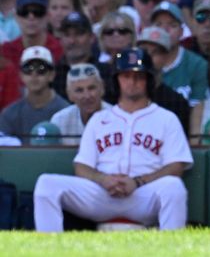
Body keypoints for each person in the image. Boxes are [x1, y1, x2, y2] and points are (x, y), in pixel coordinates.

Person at [33, 47, 193, 232]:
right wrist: (102, 179)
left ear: (148, 80)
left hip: (143, 196)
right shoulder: (99, 119)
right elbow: (82, 166)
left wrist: (138, 182)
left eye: (138, 76)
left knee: (174, 187)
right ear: (117, 80)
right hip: (103, 194)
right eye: (126, 76)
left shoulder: (166, 118)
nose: (132, 82)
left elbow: (176, 167)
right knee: (46, 184)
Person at [0, 46, 68, 143]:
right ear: (21, 75)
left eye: (41, 69)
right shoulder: (9, 114)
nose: (34, 74)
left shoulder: (65, 111)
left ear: (51, 75)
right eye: (28, 69)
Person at [50, 63, 112, 145]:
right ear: (69, 95)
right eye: (79, 90)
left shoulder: (117, 118)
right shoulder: (60, 120)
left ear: (102, 88)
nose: (87, 96)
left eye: (91, 88)